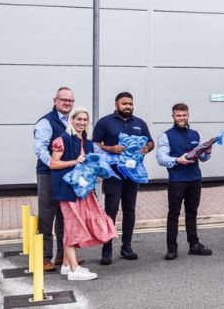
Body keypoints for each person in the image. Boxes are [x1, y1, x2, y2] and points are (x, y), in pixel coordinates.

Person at [49, 106, 117, 281]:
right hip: (66, 190)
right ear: (71, 120)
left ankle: (65, 265)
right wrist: (74, 161)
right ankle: (74, 270)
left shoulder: (87, 142)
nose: (82, 123)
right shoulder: (61, 139)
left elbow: (88, 166)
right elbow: (53, 164)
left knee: (75, 224)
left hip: (83, 190)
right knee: (73, 226)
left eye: (85, 120)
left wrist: (96, 178)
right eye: (78, 119)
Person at [92, 92, 154, 265]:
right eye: (124, 103)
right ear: (116, 104)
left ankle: (126, 247)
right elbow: (94, 144)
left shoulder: (139, 123)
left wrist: (146, 149)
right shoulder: (105, 122)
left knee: (130, 210)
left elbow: (150, 142)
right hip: (113, 174)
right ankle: (107, 249)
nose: (128, 106)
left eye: (130, 104)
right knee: (111, 210)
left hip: (133, 174)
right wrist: (110, 148)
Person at [156, 103, 213, 260]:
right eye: (178, 115)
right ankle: (171, 249)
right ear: (173, 116)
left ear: (188, 115)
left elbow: (203, 158)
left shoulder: (196, 134)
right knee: (173, 214)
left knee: (192, 213)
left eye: (184, 115)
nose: (182, 118)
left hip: (195, 179)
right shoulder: (165, 136)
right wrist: (177, 160)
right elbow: (161, 158)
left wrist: (207, 151)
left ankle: (194, 245)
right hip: (177, 181)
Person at [33, 87, 75, 271]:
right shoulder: (46, 122)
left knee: (64, 215)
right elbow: (40, 148)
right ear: (55, 100)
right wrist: (51, 163)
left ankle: (62, 256)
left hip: (67, 174)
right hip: (49, 174)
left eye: (70, 100)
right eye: (63, 99)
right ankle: (44, 257)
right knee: (47, 216)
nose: (67, 103)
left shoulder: (73, 121)